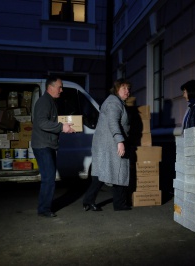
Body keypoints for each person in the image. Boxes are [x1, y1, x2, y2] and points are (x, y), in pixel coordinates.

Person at [83, 78, 132, 212]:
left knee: (104, 173)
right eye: (124, 88)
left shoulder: (115, 102)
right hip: (111, 144)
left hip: (107, 144)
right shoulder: (113, 103)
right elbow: (113, 122)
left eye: (128, 88)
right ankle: (119, 204)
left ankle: (90, 200)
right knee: (117, 171)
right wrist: (120, 141)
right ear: (116, 89)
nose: (127, 91)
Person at [31, 76, 75, 218]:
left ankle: (44, 207)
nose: (61, 90)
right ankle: (44, 209)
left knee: (49, 178)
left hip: (47, 144)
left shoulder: (50, 101)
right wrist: (62, 127)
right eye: (59, 87)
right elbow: (42, 123)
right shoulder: (45, 102)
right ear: (50, 87)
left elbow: (49, 122)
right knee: (49, 178)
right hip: (43, 145)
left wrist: (65, 126)